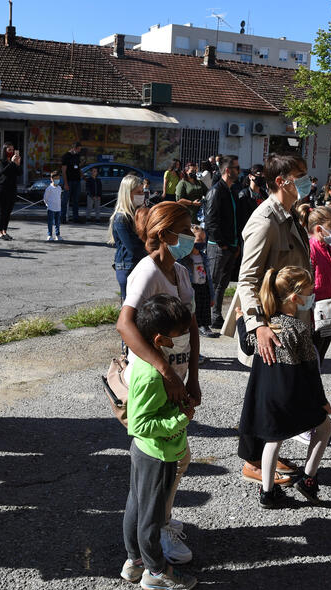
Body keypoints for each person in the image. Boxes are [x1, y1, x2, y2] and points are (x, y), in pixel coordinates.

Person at [115, 201, 201, 566]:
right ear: (165, 234)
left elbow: (191, 325)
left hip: (176, 379)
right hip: (154, 381)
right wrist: (164, 371)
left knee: (177, 459)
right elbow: (125, 325)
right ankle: (155, 535)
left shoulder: (180, 272)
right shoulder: (146, 273)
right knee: (166, 462)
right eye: (185, 228)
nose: (193, 234)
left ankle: (152, 532)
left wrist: (193, 375)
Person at [234, 153, 312, 486]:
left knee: (270, 393)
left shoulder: (289, 215)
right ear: (281, 181)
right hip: (269, 322)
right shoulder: (265, 219)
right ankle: (253, 460)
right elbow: (246, 279)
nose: (308, 181)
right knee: (265, 393)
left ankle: (262, 454)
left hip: (287, 316)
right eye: (301, 175)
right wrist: (258, 326)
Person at [236, 266, 331, 508]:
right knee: (325, 426)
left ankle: (267, 493)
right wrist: (321, 400)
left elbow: (247, 347)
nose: (312, 296)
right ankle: (308, 478)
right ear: (295, 298)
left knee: (272, 441)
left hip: (265, 396)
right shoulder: (299, 328)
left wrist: (240, 320)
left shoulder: (264, 328)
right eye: (310, 292)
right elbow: (311, 371)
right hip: (292, 395)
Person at [121, 293, 197, 590]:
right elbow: (139, 424)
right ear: (160, 339)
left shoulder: (149, 359)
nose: (186, 339)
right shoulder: (153, 375)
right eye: (180, 335)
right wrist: (180, 419)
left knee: (137, 507)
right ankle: (156, 572)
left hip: (149, 452)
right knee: (150, 517)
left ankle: (135, 561)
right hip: (156, 453)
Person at [300, 205, 331, 360]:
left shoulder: (329, 250)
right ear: (318, 229)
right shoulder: (311, 250)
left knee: (320, 357)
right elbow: (306, 286)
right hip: (316, 316)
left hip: (329, 313)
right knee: (313, 358)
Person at [203, 155, 241, 328]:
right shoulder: (216, 191)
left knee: (223, 284)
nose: (239, 172)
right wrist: (222, 243)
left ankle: (216, 316)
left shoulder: (232, 190)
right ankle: (204, 318)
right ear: (227, 170)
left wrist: (235, 244)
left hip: (231, 246)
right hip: (218, 247)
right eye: (236, 168)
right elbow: (210, 221)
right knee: (212, 282)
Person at [108, 174, 148, 300]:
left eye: (142, 191)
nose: (142, 195)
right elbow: (134, 247)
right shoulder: (121, 218)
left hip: (138, 264)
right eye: (138, 192)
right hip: (128, 266)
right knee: (130, 308)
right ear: (127, 193)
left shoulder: (138, 213)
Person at [178, 224, 217, 338]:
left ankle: (205, 325)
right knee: (196, 306)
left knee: (204, 306)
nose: (202, 242)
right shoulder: (184, 258)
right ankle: (197, 325)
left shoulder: (203, 256)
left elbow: (208, 275)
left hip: (203, 284)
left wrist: (212, 294)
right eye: (199, 239)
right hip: (192, 285)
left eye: (204, 239)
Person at [0, 143, 22, 240]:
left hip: (12, 189)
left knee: (8, 212)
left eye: (12, 149)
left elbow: (19, 173)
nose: (11, 152)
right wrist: (11, 163)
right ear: (4, 150)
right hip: (1, 189)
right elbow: (3, 171)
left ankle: (5, 231)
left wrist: (17, 164)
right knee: (2, 211)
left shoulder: (13, 162)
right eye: (9, 150)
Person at [61, 141, 83, 223]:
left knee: (76, 200)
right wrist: (66, 184)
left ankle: (75, 218)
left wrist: (83, 176)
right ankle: (62, 217)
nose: (79, 151)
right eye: (79, 149)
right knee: (65, 200)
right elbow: (63, 171)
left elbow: (78, 167)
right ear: (74, 148)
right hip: (69, 181)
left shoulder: (77, 155)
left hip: (77, 181)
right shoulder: (66, 156)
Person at [43, 170, 63, 242]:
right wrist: (47, 205)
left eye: (58, 179)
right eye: (55, 179)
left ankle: (57, 235)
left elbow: (59, 197)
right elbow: (45, 198)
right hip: (51, 208)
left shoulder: (59, 188)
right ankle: (49, 235)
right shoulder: (49, 188)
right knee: (50, 222)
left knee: (57, 223)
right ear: (51, 179)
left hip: (58, 208)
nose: (57, 180)